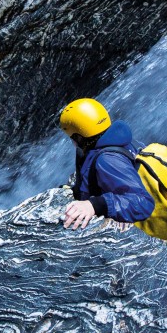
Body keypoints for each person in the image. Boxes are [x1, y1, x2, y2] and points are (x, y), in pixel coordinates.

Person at [58, 97, 155, 232]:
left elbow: (143, 203)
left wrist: (95, 205)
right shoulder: (112, 140)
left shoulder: (108, 160)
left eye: (71, 137)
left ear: (79, 137)